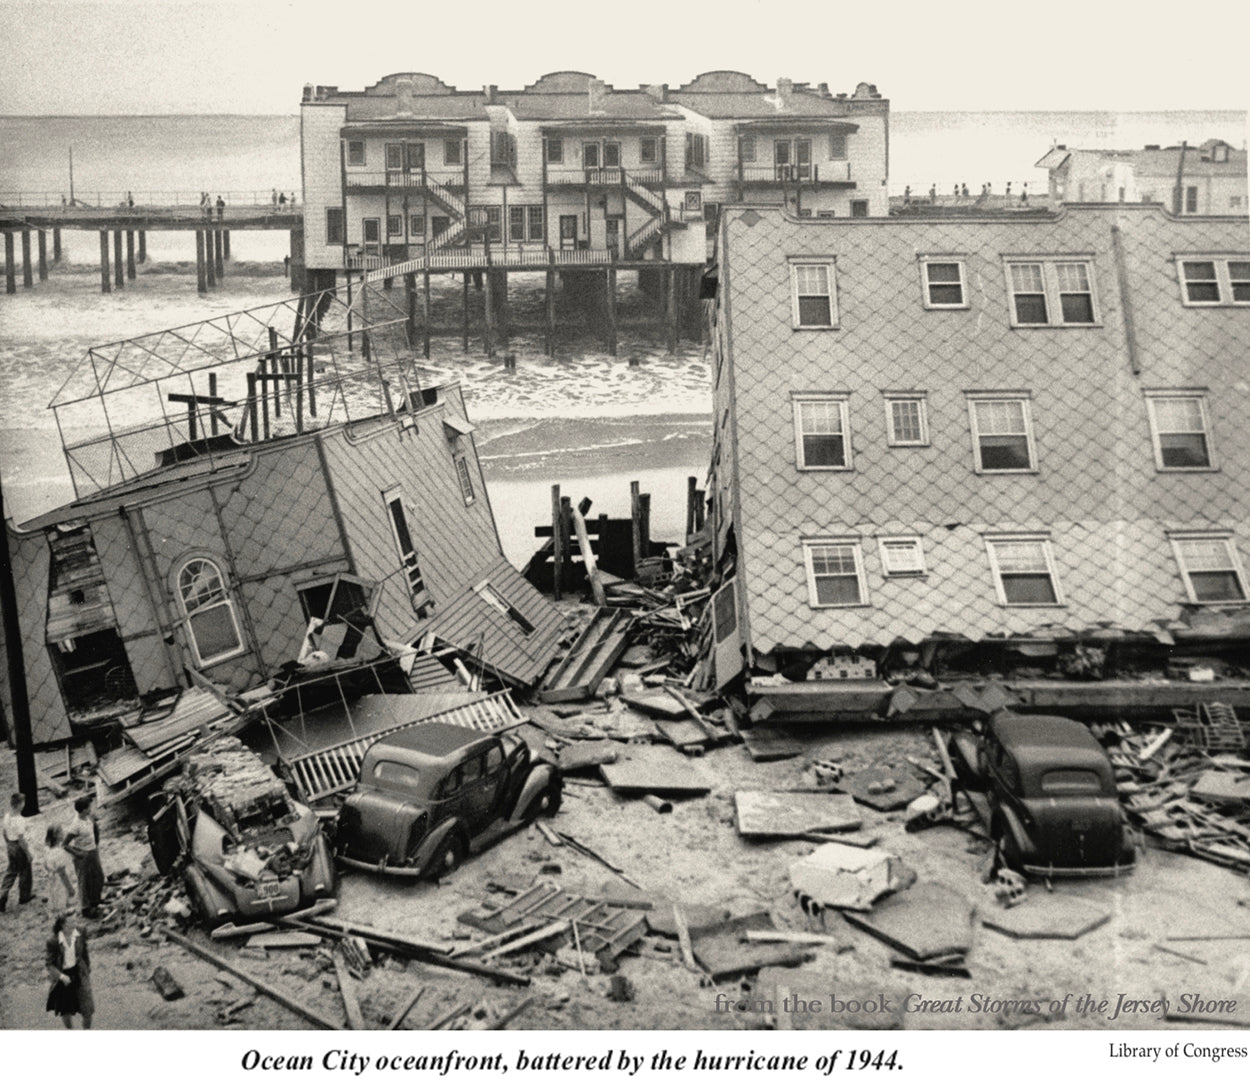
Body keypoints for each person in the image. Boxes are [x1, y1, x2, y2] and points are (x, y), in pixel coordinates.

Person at [46, 912, 93, 1029]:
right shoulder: (53, 941)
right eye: (70, 923)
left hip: (79, 973)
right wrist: (61, 977)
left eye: (75, 921)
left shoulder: (81, 932)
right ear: (62, 925)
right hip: (63, 976)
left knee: (88, 1009)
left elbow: (84, 951)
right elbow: (49, 964)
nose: (74, 925)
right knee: (65, 1010)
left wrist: (87, 968)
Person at [64, 797, 104, 918]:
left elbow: (95, 828)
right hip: (82, 855)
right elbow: (65, 844)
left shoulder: (89, 817)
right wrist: (78, 854)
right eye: (88, 807)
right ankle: (85, 908)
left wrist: (96, 844)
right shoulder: (75, 825)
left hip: (92, 851)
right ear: (83, 810)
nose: (90, 809)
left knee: (98, 876)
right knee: (84, 881)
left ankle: (95, 901)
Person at [1, 792, 34, 912]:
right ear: (20, 804)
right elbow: (21, 839)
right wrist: (28, 853)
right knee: (25, 870)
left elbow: (4, 833)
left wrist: (9, 844)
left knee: (11, 871)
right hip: (19, 847)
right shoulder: (19, 820)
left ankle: (2, 894)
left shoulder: (7, 816)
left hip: (10, 845)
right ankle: (24, 896)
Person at [44, 825, 77, 916]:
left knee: (56, 902)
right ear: (56, 835)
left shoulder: (48, 850)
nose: (63, 833)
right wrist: (70, 888)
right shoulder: (59, 852)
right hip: (61, 883)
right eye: (61, 832)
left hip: (53, 881)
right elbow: (62, 873)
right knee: (64, 903)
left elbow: (46, 866)